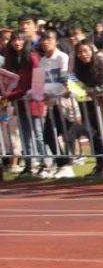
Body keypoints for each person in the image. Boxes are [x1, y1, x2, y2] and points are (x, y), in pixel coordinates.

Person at [4, 31, 47, 176]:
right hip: (19, 102)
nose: (17, 43)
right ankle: (29, 165)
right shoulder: (10, 59)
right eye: (14, 40)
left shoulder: (32, 57)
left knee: (39, 133)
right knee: (25, 135)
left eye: (20, 40)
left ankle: (45, 163)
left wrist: (33, 93)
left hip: (33, 100)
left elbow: (38, 77)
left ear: (25, 41)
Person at [73, 41, 103, 177]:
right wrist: (81, 89)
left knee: (100, 133)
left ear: (92, 51)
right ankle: (99, 163)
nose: (83, 54)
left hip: (102, 103)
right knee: (91, 132)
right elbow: (72, 82)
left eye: (85, 51)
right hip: (85, 104)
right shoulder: (78, 68)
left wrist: (93, 90)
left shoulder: (100, 63)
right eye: (80, 52)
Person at [38, 30, 75, 178]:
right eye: (43, 39)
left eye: (49, 39)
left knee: (65, 133)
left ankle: (67, 164)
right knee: (48, 135)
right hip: (51, 103)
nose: (45, 42)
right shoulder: (42, 61)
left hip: (64, 102)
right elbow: (39, 82)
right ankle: (62, 164)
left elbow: (66, 79)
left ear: (56, 41)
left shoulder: (62, 57)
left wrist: (62, 90)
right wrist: (39, 93)